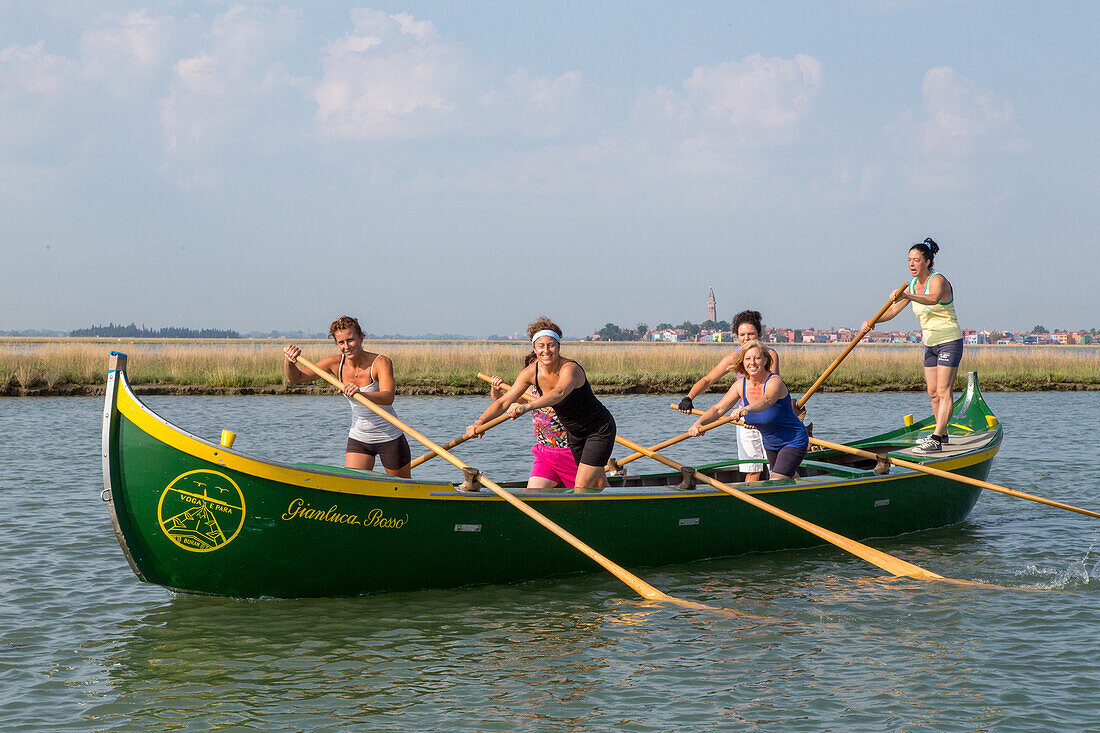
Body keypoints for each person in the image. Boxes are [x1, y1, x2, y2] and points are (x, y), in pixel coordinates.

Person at [467, 317, 616, 491]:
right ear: (534, 348)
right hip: (575, 435)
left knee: (582, 486)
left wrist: (527, 406)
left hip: (598, 430)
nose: (546, 350)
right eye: (541, 346)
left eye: (551, 345)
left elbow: (559, 392)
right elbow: (503, 402)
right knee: (597, 484)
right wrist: (480, 422)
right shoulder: (530, 372)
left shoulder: (570, 368)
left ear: (559, 347)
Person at [863, 238, 962, 454]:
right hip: (930, 344)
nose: (911, 264)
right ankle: (942, 433)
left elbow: (933, 299)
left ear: (927, 262)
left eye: (916, 260)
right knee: (932, 392)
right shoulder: (910, 285)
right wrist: (872, 321)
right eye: (909, 260)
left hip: (949, 341)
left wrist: (907, 294)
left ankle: (936, 438)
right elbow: (892, 311)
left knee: (944, 391)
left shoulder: (937, 280)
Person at [283, 315, 412, 477]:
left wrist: (361, 394)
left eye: (350, 340)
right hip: (359, 438)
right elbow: (296, 378)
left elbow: (388, 397)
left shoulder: (381, 362)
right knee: (354, 485)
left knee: (402, 489)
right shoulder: (334, 364)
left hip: (390, 438)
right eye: (341, 343)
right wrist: (289, 362)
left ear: (361, 338)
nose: (346, 346)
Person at [677, 310, 783, 482]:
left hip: (770, 415)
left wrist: (759, 416)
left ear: (760, 335)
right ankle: (750, 503)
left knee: (778, 470)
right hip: (743, 418)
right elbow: (708, 380)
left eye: (751, 334)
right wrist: (689, 398)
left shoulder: (769, 355)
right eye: (742, 334)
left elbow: (772, 393)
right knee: (752, 470)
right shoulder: (734, 358)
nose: (746, 338)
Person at [688, 340, 808, 480]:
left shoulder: (774, 382)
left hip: (793, 440)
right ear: (742, 362)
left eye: (757, 358)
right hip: (770, 444)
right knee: (789, 477)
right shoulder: (740, 385)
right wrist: (699, 423)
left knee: (776, 481)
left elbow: (767, 400)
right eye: (748, 359)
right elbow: (718, 409)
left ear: (765, 360)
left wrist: (746, 409)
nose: (752, 362)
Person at [487, 354, 579, 491]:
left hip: (572, 451)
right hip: (545, 452)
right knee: (532, 493)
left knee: (587, 490)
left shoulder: (564, 385)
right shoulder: (530, 391)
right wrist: (495, 390)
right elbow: (502, 403)